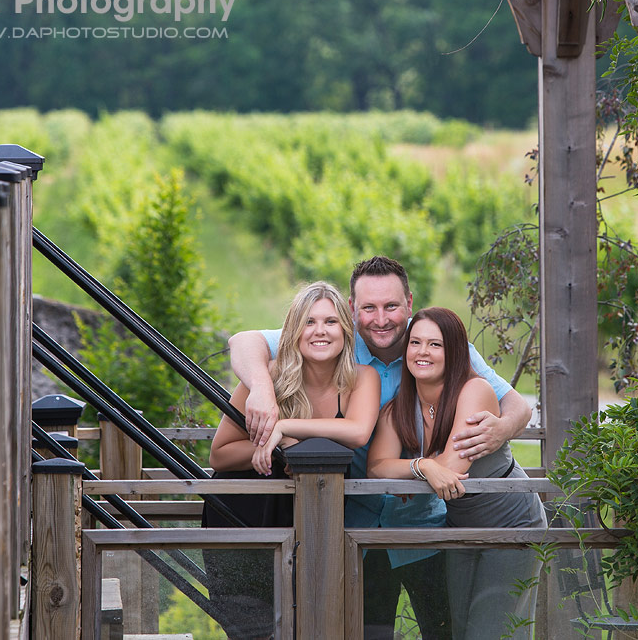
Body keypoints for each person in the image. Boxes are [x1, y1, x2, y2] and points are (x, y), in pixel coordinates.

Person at [226, 256, 532, 639]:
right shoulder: (333, 336)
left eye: (391, 306)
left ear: (408, 301)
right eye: (369, 308)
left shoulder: (442, 345)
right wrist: (262, 391)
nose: (381, 318)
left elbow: (517, 403)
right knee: (367, 631)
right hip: (357, 525)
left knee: (451, 630)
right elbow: (242, 341)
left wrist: (501, 429)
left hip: (430, 525)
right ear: (353, 309)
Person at [203, 281, 380, 640]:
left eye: (330, 322)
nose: (320, 331)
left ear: (346, 331)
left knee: (315, 623)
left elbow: (359, 431)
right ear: (294, 330)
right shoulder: (266, 377)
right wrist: (278, 448)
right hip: (246, 513)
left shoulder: (363, 378)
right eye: (309, 322)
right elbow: (219, 454)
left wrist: (283, 430)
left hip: (315, 517)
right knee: (254, 630)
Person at [368, 307, 546, 640]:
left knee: (491, 631)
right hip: (460, 525)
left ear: (455, 352)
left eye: (435, 345)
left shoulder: (474, 390)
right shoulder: (400, 406)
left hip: (512, 523)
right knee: (460, 630)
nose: (423, 352)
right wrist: (422, 466)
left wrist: (421, 468)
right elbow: (377, 465)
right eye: (416, 343)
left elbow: (453, 469)